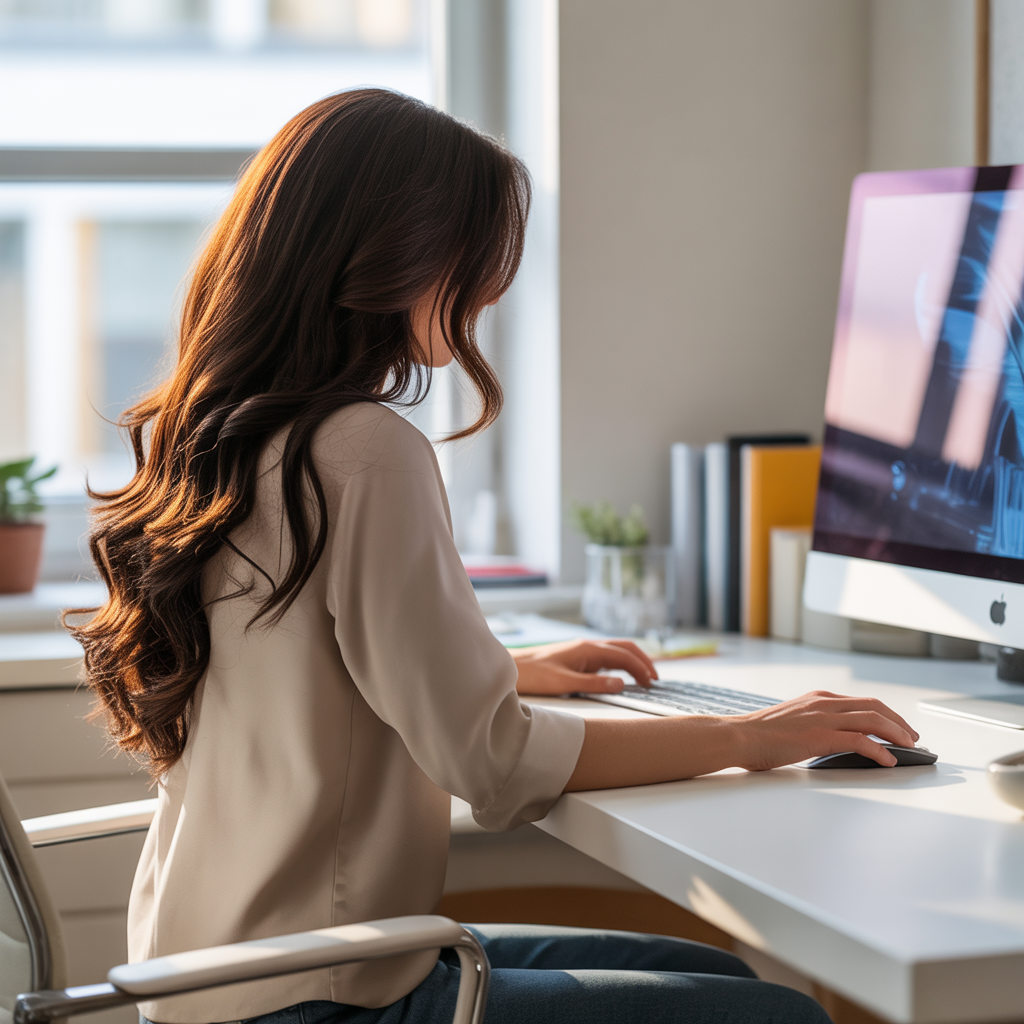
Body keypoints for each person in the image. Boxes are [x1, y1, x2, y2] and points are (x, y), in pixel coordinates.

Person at [71, 89, 918, 1024]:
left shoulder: (220, 439)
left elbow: (297, 673)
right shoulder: (360, 448)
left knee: (732, 981)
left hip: (203, 975)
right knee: (777, 1017)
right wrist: (753, 737)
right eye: (471, 257)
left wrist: (505, 671)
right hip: (317, 993)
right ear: (390, 255)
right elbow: (494, 763)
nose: (487, 290)